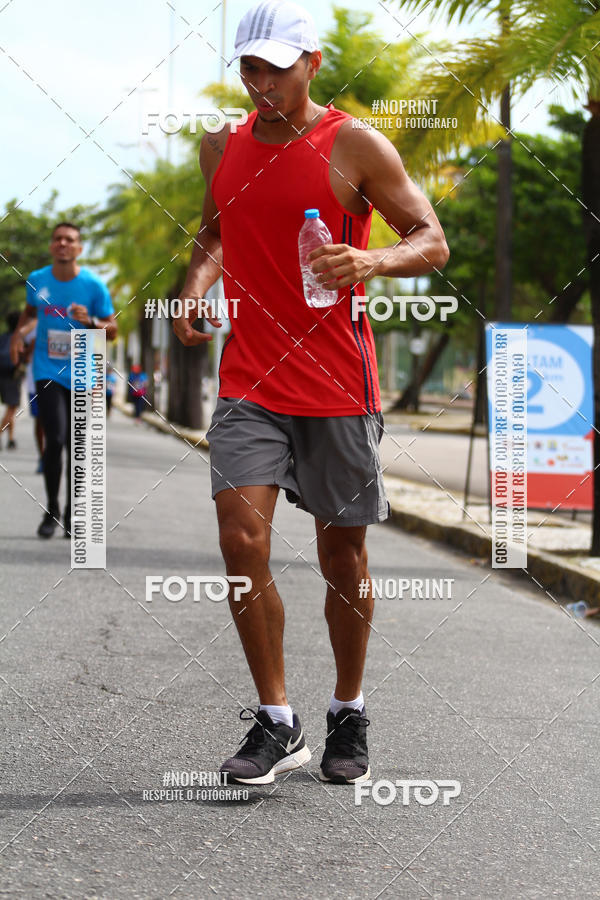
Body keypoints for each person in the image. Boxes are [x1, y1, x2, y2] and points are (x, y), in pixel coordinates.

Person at [174, 0, 449, 785]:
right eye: (249, 67)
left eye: (276, 67)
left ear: (311, 65)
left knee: (342, 552)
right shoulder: (219, 146)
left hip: (335, 381)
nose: (260, 83)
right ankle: (276, 720)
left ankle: (348, 708)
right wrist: (197, 288)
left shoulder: (353, 144)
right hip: (249, 381)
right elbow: (214, 231)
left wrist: (373, 263)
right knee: (240, 541)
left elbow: (431, 239)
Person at [10, 222, 117, 538]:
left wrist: (92, 322)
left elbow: (112, 330)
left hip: (83, 370)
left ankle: (73, 512)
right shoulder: (37, 280)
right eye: (57, 238)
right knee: (55, 439)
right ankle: (52, 508)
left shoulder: (94, 286)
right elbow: (30, 314)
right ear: (51, 246)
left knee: (77, 446)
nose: (63, 244)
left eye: (70, 240)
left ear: (79, 248)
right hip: (47, 370)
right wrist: (19, 334)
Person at [0, 311, 25, 450]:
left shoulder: (3, 338)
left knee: (11, 407)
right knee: (11, 408)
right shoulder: (19, 338)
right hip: (13, 376)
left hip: (2, 375)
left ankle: (11, 439)